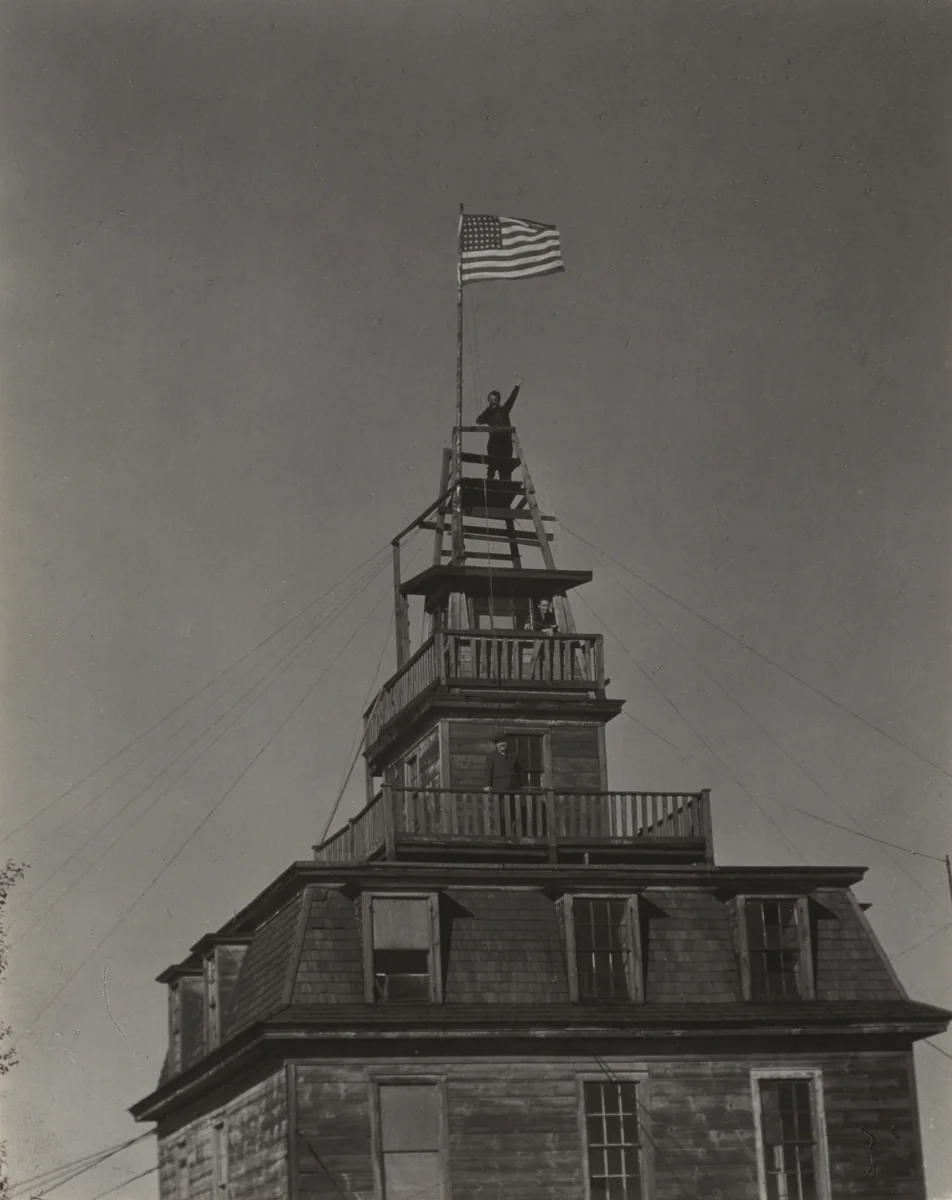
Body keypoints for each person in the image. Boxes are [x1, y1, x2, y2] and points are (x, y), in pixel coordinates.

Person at [476, 381, 521, 480]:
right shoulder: (488, 413)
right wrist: (488, 409)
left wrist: (517, 386)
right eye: (491, 400)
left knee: (505, 466)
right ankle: (490, 480)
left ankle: (506, 484)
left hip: (506, 442)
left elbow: (511, 400)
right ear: (489, 401)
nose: (494, 402)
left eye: (495, 400)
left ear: (498, 400)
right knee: (492, 463)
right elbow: (479, 421)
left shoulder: (504, 410)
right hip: (494, 442)